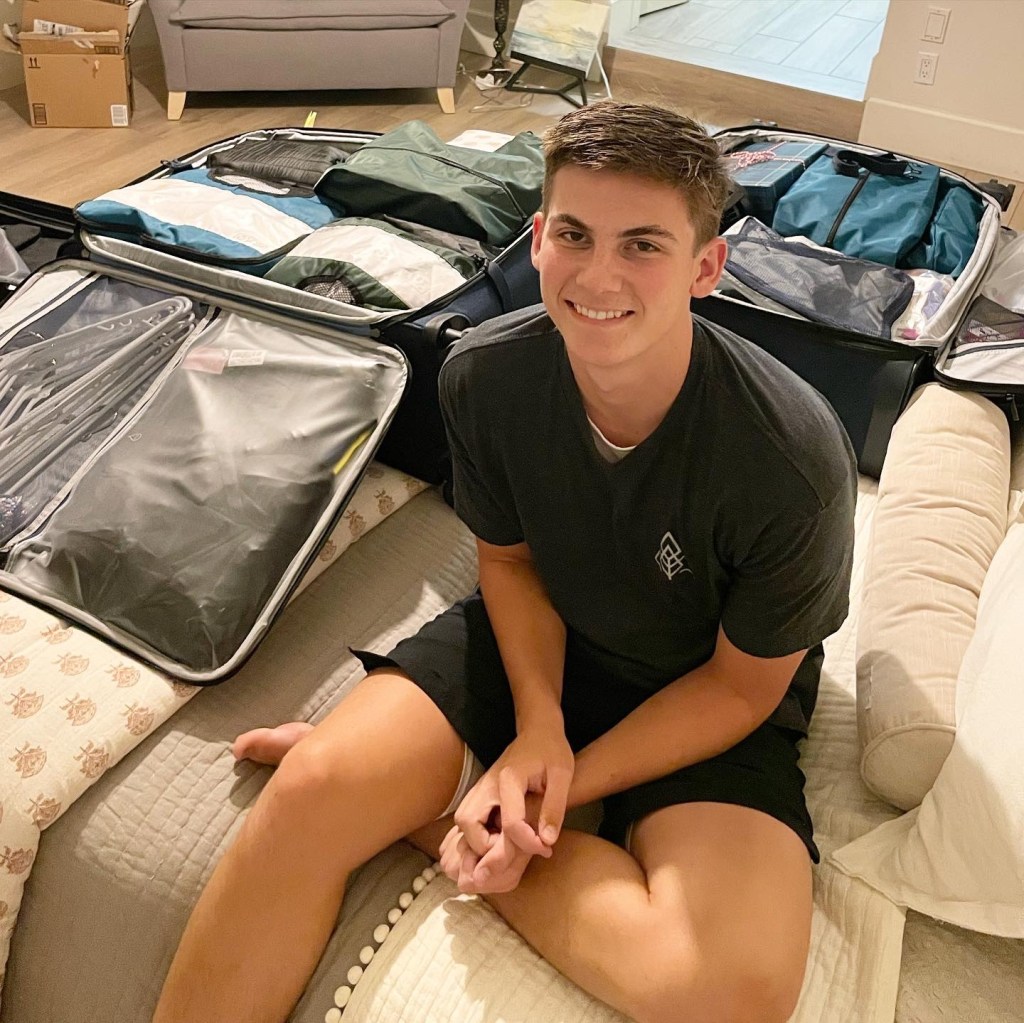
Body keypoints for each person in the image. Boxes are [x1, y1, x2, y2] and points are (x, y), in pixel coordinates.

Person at [153, 101, 856, 1023]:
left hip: (703, 688)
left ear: (706, 267)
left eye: (643, 245)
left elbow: (740, 688)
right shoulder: (483, 375)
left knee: (732, 988)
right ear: (538, 239)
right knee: (310, 791)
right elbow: (512, 564)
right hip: (546, 638)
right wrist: (536, 726)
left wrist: (545, 784)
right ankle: (405, 788)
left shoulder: (790, 458)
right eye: (575, 234)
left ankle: (434, 807)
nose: (598, 275)